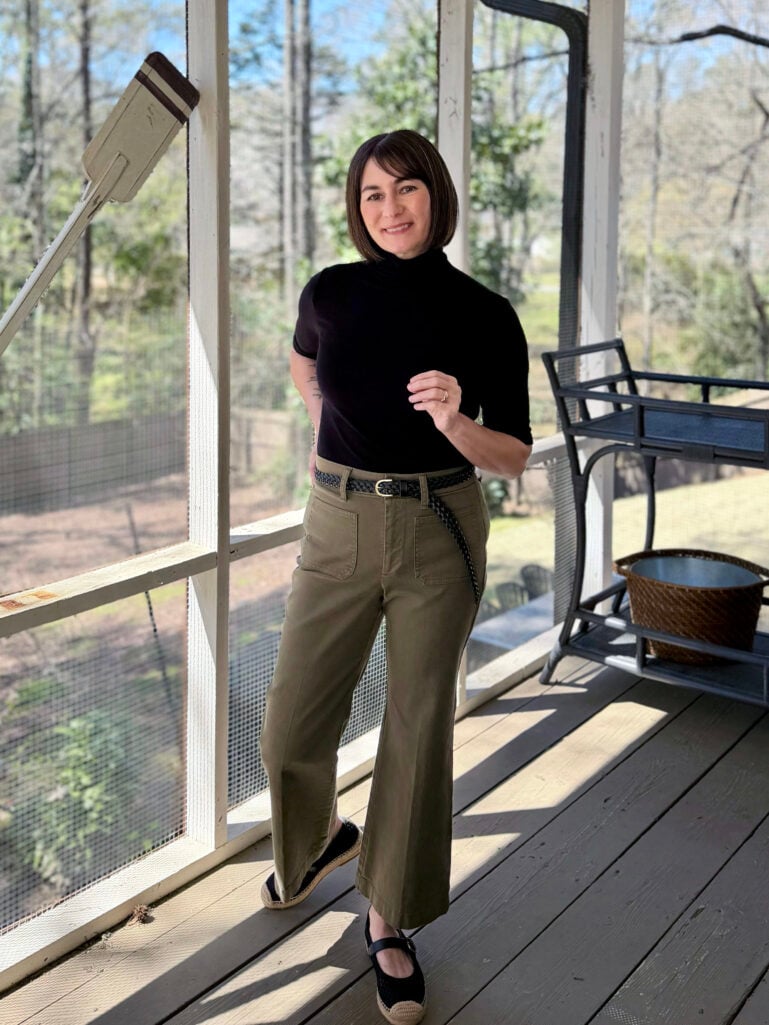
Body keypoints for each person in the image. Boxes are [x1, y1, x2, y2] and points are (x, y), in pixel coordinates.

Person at [260, 129, 532, 1024]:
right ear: (357, 207)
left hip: (436, 525)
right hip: (336, 520)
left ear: (435, 196)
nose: (389, 208)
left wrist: (454, 420)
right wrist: (319, 427)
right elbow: (304, 360)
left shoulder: (483, 312)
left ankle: (387, 919)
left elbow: (513, 455)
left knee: (416, 730)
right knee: (290, 722)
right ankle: (317, 842)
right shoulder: (330, 292)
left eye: (405, 188)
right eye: (372, 194)